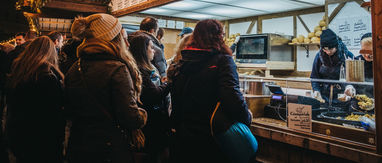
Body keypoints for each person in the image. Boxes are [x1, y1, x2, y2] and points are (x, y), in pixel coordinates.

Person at [64, 13, 147, 163]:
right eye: (123, 37)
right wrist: (141, 116)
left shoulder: (74, 68)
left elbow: (69, 109)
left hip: (79, 145)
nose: (127, 44)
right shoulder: (117, 68)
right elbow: (130, 117)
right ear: (115, 39)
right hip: (109, 149)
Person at [167, 19, 252, 163]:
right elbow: (232, 97)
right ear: (218, 36)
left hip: (183, 138)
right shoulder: (223, 61)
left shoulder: (182, 62)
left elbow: (176, 99)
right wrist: (246, 117)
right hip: (213, 138)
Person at [5, 36, 65, 163]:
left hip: (19, 134)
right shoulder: (47, 77)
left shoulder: (19, 72)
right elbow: (54, 113)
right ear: (50, 53)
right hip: (43, 140)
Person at [129, 33, 171, 163]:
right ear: (143, 50)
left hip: (153, 118)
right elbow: (154, 95)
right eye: (151, 47)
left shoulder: (147, 67)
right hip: (150, 121)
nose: (153, 51)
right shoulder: (141, 70)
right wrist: (169, 83)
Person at [310, 28, 354, 104]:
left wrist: (350, 87)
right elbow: (314, 77)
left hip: (342, 97)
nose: (328, 52)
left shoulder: (347, 56)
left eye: (331, 49)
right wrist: (316, 90)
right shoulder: (319, 57)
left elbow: (353, 77)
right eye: (325, 49)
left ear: (336, 46)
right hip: (324, 97)